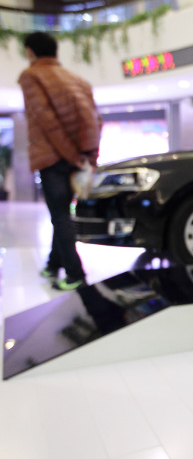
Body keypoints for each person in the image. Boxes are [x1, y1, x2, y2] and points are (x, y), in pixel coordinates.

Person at [18, 32, 102, 290]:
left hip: (54, 157)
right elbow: (97, 120)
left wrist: (73, 156)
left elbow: (48, 123)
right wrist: (87, 158)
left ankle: (75, 275)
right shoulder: (78, 80)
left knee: (61, 216)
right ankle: (53, 265)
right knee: (62, 214)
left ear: (30, 51)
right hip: (77, 156)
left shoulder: (32, 76)